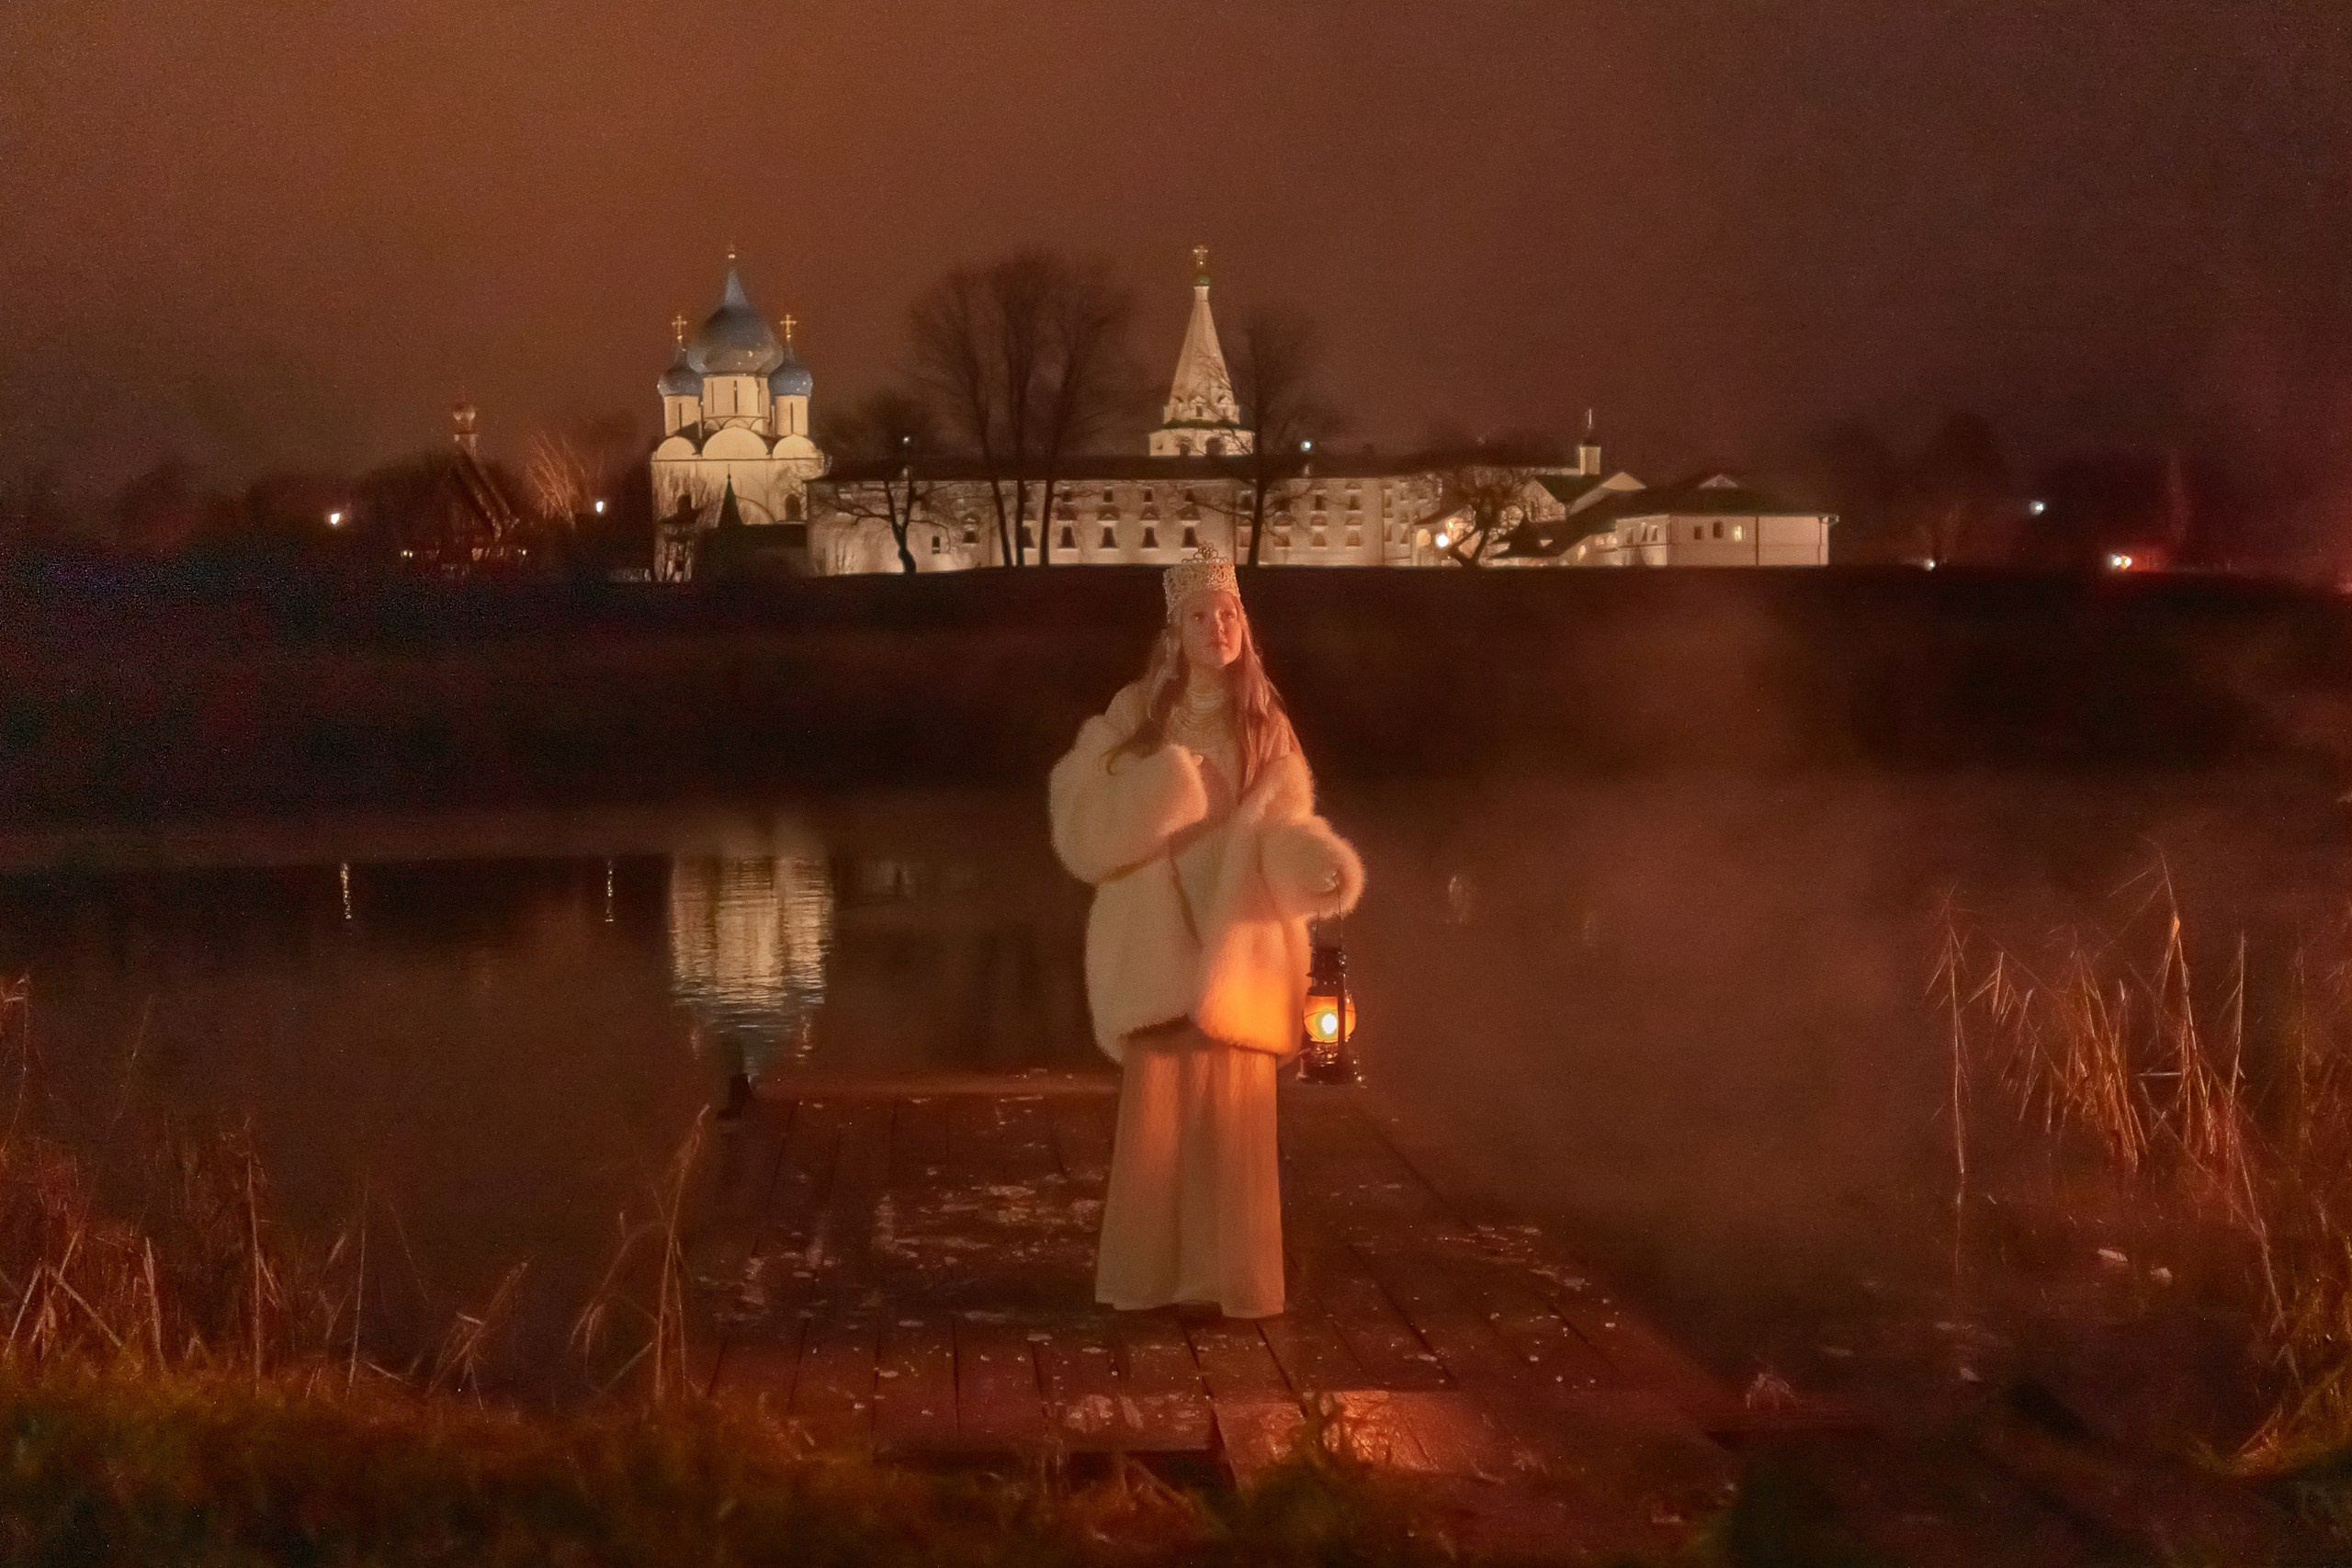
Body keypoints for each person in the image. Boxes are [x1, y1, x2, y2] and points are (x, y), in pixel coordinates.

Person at [1047, 545, 1364, 1319]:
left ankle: (1231, 1284)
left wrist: (1317, 867)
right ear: (1175, 630)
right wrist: (1170, 787)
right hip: (1155, 936)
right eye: (1201, 615)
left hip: (1239, 943)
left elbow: (1285, 828)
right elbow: (1082, 826)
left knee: (1233, 1125)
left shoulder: (1266, 722)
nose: (1217, 627)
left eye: (1229, 613)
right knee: (1157, 1126)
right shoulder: (1133, 716)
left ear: (1243, 627)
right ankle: (1146, 1281)